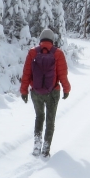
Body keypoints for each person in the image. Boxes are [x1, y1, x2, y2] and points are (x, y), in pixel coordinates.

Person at [20, 28, 70, 158]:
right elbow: (62, 74)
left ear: (41, 39)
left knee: (39, 117)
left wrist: (24, 91)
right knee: (50, 120)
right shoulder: (58, 53)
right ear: (52, 40)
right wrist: (66, 89)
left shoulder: (32, 52)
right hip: (53, 92)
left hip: (36, 92)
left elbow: (26, 73)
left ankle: (37, 144)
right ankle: (46, 149)